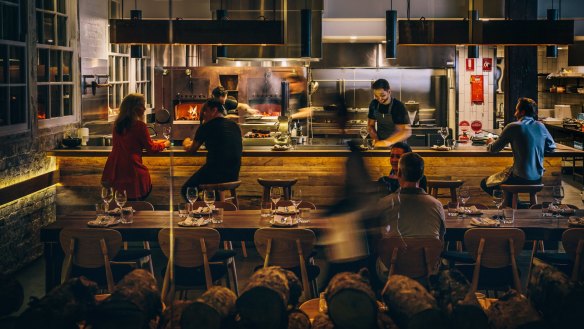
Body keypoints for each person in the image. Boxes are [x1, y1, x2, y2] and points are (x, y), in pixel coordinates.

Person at [480, 97, 556, 200]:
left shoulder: (513, 127)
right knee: (509, 177)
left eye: (516, 110)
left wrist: (490, 142)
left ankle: (517, 207)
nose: (515, 113)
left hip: (520, 178)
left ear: (522, 112)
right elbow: (551, 147)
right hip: (538, 178)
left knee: (485, 184)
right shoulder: (541, 126)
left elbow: (493, 149)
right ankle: (518, 206)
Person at [101, 93, 170, 201]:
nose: (144, 108)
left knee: (121, 203)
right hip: (132, 170)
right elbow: (151, 149)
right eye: (142, 105)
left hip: (116, 169)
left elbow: (132, 142)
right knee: (137, 201)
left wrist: (156, 142)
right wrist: (164, 144)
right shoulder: (139, 126)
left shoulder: (117, 125)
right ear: (135, 108)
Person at [181, 99, 243, 201]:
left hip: (215, 174)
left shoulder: (206, 127)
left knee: (187, 190)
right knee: (214, 188)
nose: (203, 114)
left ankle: (202, 211)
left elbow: (191, 150)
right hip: (233, 174)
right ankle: (214, 208)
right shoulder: (234, 125)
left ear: (214, 110)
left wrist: (185, 142)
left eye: (205, 111)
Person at [380, 152, 445, 240]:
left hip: (395, 253)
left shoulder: (384, 204)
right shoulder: (436, 205)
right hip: (427, 253)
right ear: (422, 175)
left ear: (398, 173)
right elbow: (440, 241)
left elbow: (377, 241)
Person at [367, 79, 411, 148]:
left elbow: (406, 131)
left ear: (389, 92)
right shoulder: (374, 104)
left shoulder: (398, 106)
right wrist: (376, 139)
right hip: (381, 145)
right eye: (376, 96)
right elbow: (370, 125)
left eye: (382, 95)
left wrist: (387, 142)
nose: (380, 99)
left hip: (398, 147)